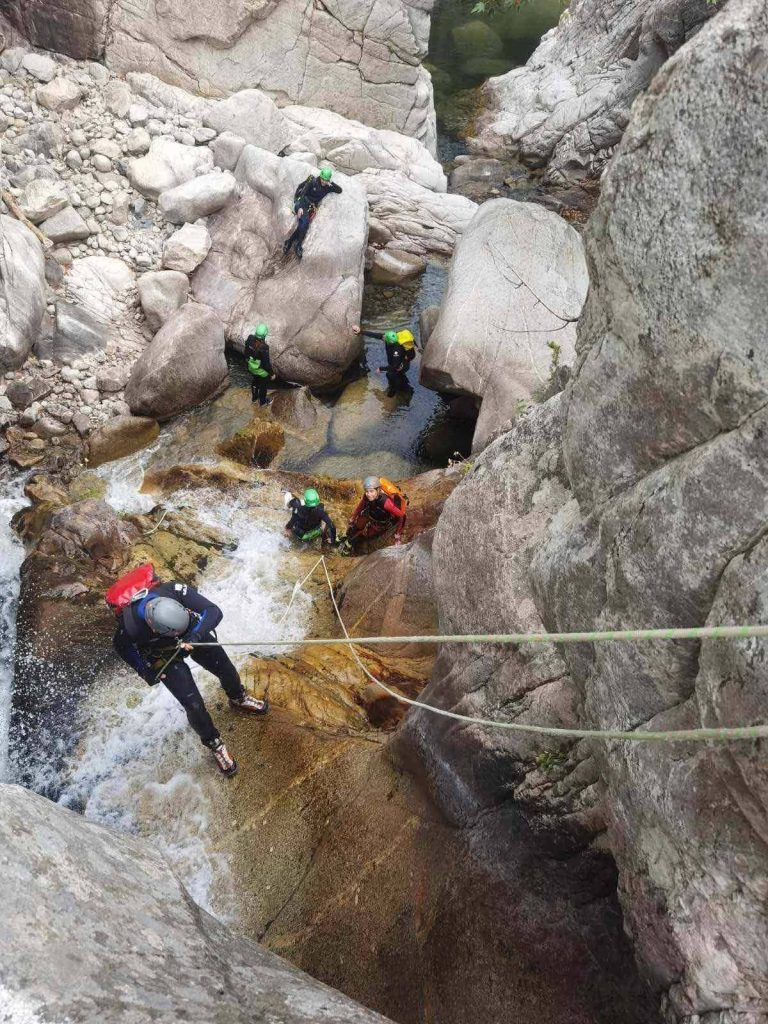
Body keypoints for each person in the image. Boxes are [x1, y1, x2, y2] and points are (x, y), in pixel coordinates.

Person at [113, 579, 268, 776]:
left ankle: (238, 697)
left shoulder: (174, 590)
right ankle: (215, 744)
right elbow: (123, 649)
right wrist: (147, 672)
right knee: (193, 704)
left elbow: (213, 611)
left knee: (225, 668)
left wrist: (194, 636)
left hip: (191, 631)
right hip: (163, 653)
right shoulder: (129, 628)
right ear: (153, 627)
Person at [283, 167, 342, 261]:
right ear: (320, 176)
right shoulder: (312, 182)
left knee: (303, 224)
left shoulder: (327, 187)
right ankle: (298, 245)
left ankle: (289, 242)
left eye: (326, 180)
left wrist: (331, 183)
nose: (324, 181)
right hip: (301, 204)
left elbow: (339, 190)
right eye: (323, 179)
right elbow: (302, 194)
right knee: (305, 222)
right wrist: (300, 207)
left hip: (310, 207)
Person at [340, 476, 407, 554]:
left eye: (371, 491)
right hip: (371, 514)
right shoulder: (366, 496)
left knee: (367, 535)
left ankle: (355, 545)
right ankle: (348, 538)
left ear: (378, 490)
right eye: (367, 491)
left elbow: (402, 516)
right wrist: (353, 517)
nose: (369, 494)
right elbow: (360, 506)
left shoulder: (385, 503)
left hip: (381, 521)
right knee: (356, 526)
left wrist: (398, 535)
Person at [352, 325, 414, 396]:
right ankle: (402, 380)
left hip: (401, 365)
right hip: (397, 363)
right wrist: (361, 332)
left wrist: (381, 368)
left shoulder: (397, 350)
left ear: (390, 342)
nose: (383, 338)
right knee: (397, 374)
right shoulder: (391, 339)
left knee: (390, 374)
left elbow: (395, 366)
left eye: (384, 338)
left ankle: (394, 390)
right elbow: (376, 335)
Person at [244, 323, 273, 406]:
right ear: (264, 335)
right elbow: (266, 365)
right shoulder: (264, 347)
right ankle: (263, 402)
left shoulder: (250, 338)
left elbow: (246, 352)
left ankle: (254, 398)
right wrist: (272, 374)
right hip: (259, 370)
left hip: (250, 367)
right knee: (264, 383)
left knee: (255, 381)